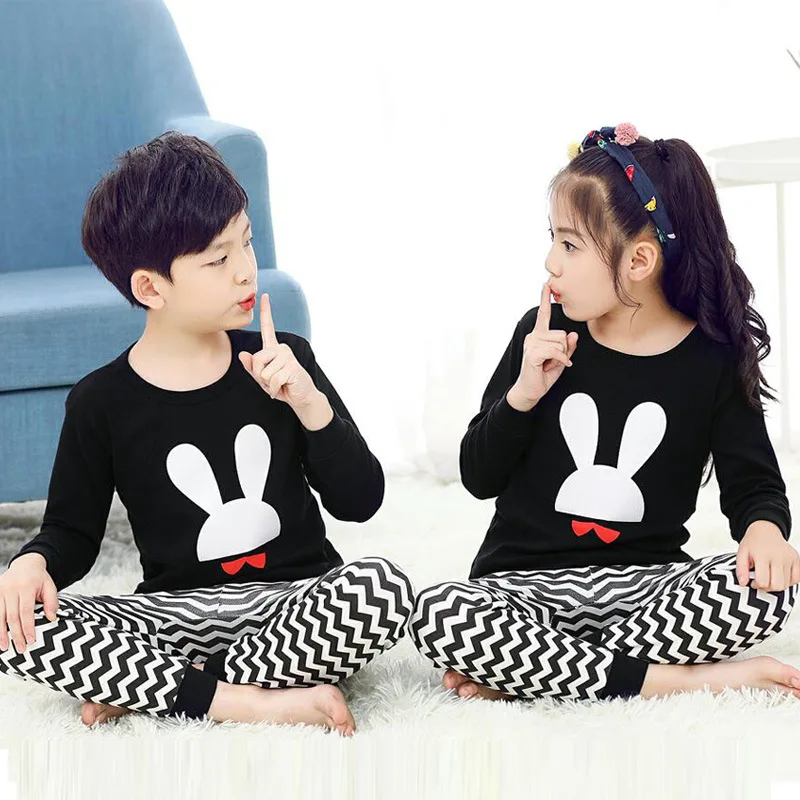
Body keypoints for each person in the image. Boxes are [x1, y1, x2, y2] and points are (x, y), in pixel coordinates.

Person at [0, 132, 413, 735]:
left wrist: (310, 404)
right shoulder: (100, 401)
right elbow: (72, 532)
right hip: (174, 617)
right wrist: (31, 564)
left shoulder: (285, 357)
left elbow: (361, 500)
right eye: (218, 260)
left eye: (247, 241)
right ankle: (250, 700)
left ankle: (170, 688)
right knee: (14, 624)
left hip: (296, 603)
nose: (245, 270)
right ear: (150, 288)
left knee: (383, 589)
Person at [411, 123, 799, 703]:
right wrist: (523, 394)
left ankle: (539, 672)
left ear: (639, 259)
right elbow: (477, 475)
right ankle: (675, 681)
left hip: (648, 590)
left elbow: (754, 485)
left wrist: (765, 535)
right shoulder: (541, 332)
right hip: (522, 591)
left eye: (570, 245)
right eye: (553, 239)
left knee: (771, 590)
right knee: (438, 613)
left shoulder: (712, 358)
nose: (550, 262)